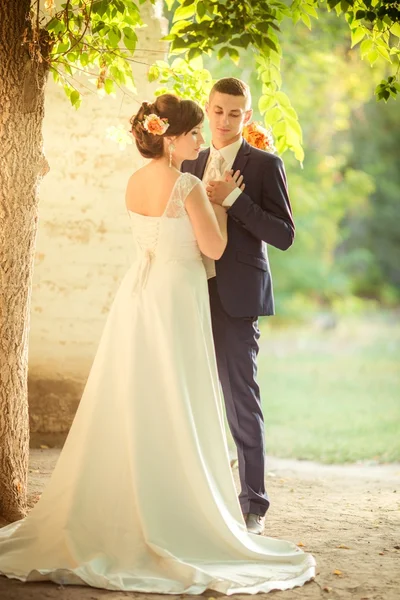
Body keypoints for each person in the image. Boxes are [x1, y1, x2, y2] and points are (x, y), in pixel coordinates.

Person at [0, 94, 314, 594]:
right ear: (171, 137)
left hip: (141, 294)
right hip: (177, 296)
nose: (200, 137)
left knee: (140, 393)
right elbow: (213, 246)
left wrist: (228, 201)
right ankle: (179, 506)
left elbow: (267, 233)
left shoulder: (134, 180)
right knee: (180, 395)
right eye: (193, 130)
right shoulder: (187, 180)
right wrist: (216, 202)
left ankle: (209, 499)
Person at [182, 78, 295, 535]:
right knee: (188, 394)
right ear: (207, 111)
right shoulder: (189, 161)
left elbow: (284, 235)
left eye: (235, 113)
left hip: (237, 296)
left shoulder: (265, 164)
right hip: (187, 289)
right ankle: (195, 494)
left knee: (241, 400)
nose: (225, 121)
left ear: (247, 116)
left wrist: (235, 200)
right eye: (218, 111)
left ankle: (253, 505)